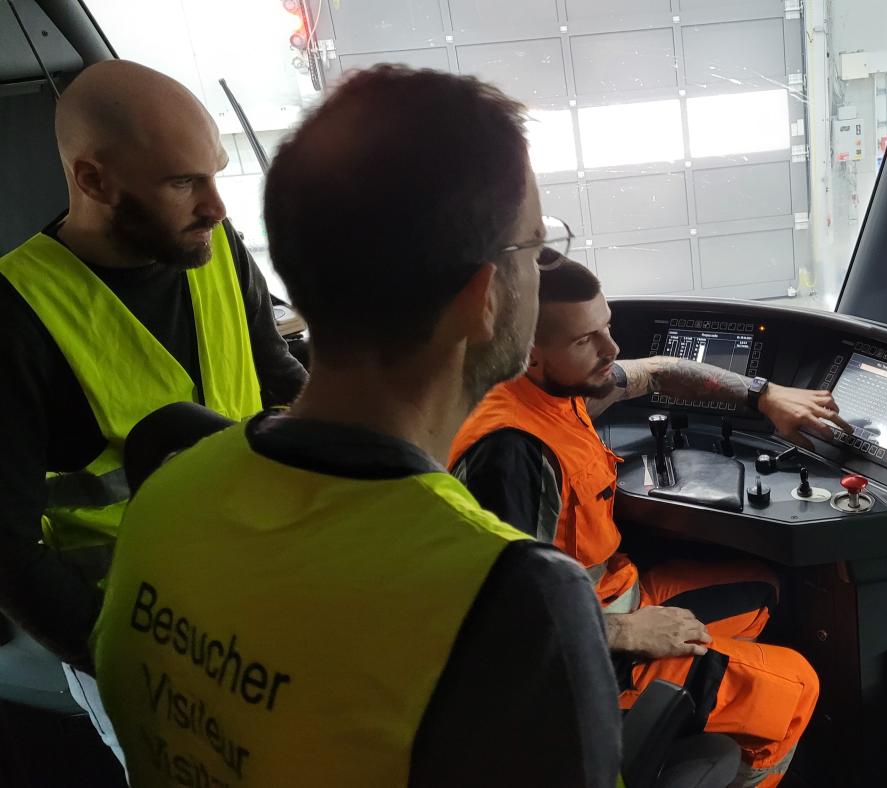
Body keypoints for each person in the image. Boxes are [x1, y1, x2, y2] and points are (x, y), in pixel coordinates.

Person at [91, 66, 621, 786]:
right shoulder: (510, 595)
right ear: (483, 296)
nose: (541, 267)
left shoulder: (169, 489)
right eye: (534, 248)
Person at [0, 59, 305, 766]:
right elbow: (8, 554)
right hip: (139, 639)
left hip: (267, 597)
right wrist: (129, 659)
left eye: (214, 173)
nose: (217, 207)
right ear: (93, 181)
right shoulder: (14, 318)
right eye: (182, 182)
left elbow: (277, 375)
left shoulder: (215, 250)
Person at [451, 253, 836, 787]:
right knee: (796, 686)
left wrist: (764, 396)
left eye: (606, 327)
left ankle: (696, 718)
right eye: (587, 339)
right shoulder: (512, 454)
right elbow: (502, 630)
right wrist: (629, 631)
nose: (612, 349)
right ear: (529, 354)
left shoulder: (556, 388)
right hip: (579, 661)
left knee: (765, 590)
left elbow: (655, 372)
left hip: (612, 598)